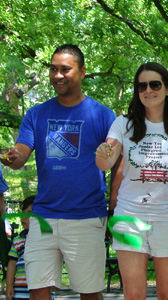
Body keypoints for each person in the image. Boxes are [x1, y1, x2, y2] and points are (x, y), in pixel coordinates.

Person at [0, 44, 116, 300]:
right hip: (44, 217)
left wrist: (113, 208)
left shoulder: (103, 115)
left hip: (86, 216)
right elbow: (20, 154)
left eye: (65, 69)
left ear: (82, 72)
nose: (57, 75)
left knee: (89, 292)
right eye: (53, 69)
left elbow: (117, 163)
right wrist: (12, 156)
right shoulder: (37, 113)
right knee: (37, 289)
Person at [94, 62, 168, 299]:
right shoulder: (124, 124)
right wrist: (102, 154)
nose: (148, 90)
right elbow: (106, 162)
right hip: (129, 215)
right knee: (133, 294)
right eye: (141, 85)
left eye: (155, 84)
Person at [4, 196, 55, 300]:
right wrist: (9, 285)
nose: (24, 217)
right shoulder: (18, 240)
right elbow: (12, 263)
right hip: (20, 292)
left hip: (43, 290)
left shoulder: (47, 239)